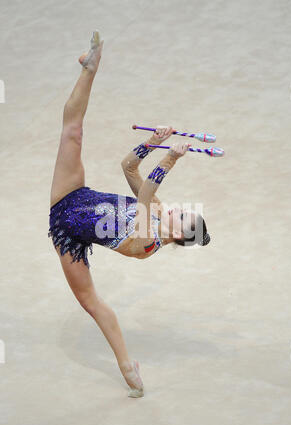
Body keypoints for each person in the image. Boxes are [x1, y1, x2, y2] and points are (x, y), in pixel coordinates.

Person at [48, 31, 210, 398]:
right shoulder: (160, 213)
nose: (180, 209)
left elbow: (148, 190)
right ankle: (90, 68)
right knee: (72, 132)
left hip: (67, 232)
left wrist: (170, 156)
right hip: (75, 192)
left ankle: (126, 367)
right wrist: (154, 141)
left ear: (179, 236)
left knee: (92, 303)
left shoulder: (147, 243)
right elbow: (129, 168)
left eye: (184, 216)